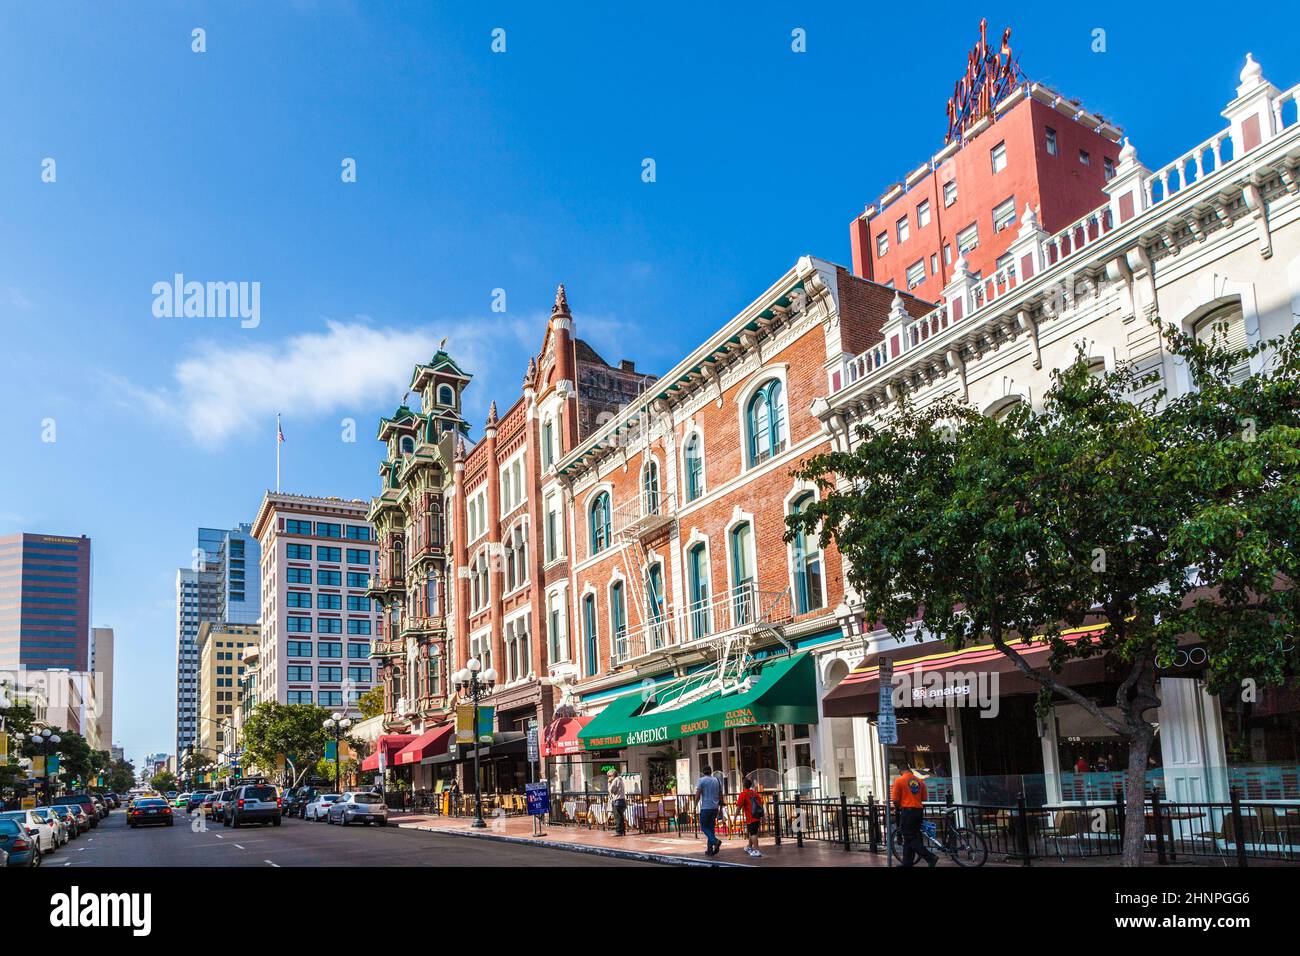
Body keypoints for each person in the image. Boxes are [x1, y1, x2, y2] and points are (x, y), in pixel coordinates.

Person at [890, 765, 937, 868]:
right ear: (910, 770)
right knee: (910, 837)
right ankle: (907, 863)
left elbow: (895, 800)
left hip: (908, 811)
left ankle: (930, 857)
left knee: (909, 837)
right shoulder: (920, 781)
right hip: (918, 811)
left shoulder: (899, 781)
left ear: (900, 771)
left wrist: (898, 808)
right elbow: (924, 797)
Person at [695, 765, 723, 856]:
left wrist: (695, 805)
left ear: (703, 772)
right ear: (711, 771)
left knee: (703, 827)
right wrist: (720, 807)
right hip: (715, 808)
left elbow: (698, 795)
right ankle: (709, 849)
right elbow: (720, 794)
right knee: (710, 828)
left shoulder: (701, 780)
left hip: (706, 808)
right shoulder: (717, 780)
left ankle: (715, 841)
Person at [736, 777, 764, 858]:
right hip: (757, 816)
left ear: (743, 786)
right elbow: (760, 804)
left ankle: (757, 851)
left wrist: (735, 816)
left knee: (753, 834)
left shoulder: (743, 794)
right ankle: (749, 847)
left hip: (750, 817)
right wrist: (763, 815)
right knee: (752, 832)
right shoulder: (755, 793)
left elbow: (739, 806)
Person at [607, 767, 627, 836]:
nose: (608, 777)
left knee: (618, 817)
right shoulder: (620, 780)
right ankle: (622, 831)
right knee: (621, 817)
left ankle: (618, 832)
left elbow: (612, 790)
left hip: (617, 800)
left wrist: (609, 783)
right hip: (622, 800)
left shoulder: (615, 780)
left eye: (609, 776)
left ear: (612, 775)